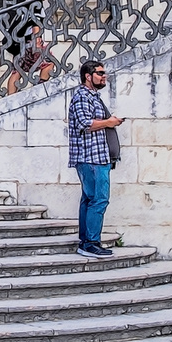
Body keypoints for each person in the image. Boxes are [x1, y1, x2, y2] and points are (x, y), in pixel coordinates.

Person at [67, 59, 123, 259]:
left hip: (96, 156)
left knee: (89, 199)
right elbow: (85, 123)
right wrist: (110, 122)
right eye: (99, 73)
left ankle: (86, 241)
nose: (104, 76)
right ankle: (90, 243)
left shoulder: (92, 96)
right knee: (99, 199)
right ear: (88, 76)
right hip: (92, 157)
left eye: (104, 72)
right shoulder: (83, 96)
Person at [4, 0, 56, 94]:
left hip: (16, 41)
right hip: (28, 41)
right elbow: (35, 22)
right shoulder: (36, 2)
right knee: (49, 61)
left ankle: (10, 98)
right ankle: (40, 90)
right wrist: (37, 40)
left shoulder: (28, 0)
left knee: (17, 70)